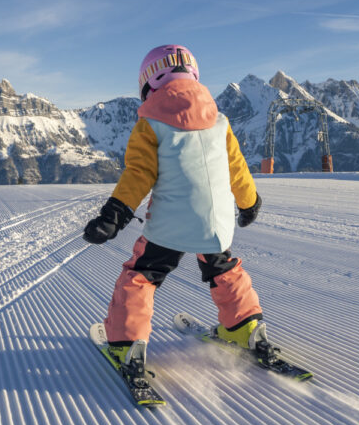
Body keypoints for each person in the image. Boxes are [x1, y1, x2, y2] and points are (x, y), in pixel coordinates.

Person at [82, 45, 266, 377]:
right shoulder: (221, 121)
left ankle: (126, 344)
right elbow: (237, 169)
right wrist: (249, 203)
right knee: (223, 267)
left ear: (147, 85)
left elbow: (138, 175)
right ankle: (244, 326)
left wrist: (114, 216)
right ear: (193, 75)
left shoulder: (150, 124)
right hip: (217, 221)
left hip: (170, 222)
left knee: (142, 274)